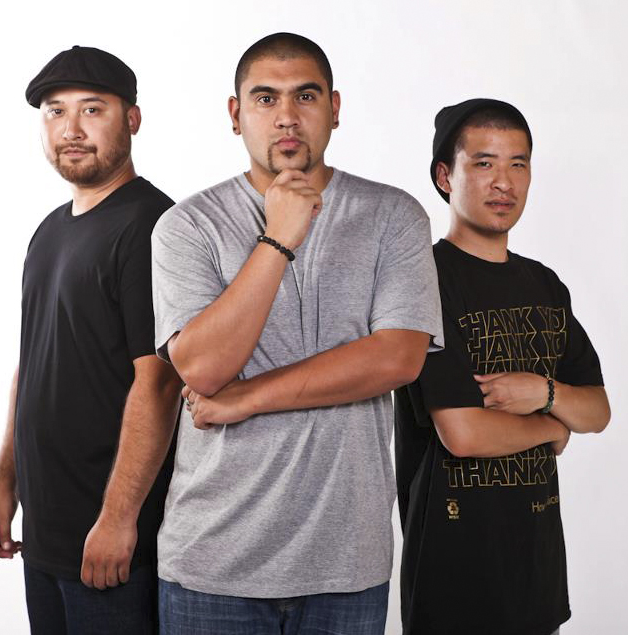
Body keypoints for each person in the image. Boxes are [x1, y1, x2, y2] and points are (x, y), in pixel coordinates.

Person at [150, 33, 443, 634]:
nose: (286, 115)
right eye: (266, 98)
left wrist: (248, 398)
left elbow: (397, 358)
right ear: (236, 114)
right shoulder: (187, 226)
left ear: (334, 108)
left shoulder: (394, 215)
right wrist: (278, 237)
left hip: (347, 565)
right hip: (213, 562)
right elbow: (201, 369)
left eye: (305, 96)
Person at [0, 45, 182, 635]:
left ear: (132, 119)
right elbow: (33, 366)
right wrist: (5, 482)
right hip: (46, 531)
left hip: (113, 540)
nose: (71, 129)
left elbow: (160, 381)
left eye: (92, 110)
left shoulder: (152, 226)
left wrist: (119, 518)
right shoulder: (49, 231)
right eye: (55, 111)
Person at [394, 98, 611, 635]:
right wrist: (551, 426)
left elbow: (598, 410)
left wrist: (544, 391)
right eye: (484, 163)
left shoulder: (545, 284)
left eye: (518, 163)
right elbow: (463, 432)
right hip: (453, 578)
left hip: (537, 576)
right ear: (445, 176)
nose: (504, 182)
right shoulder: (425, 281)